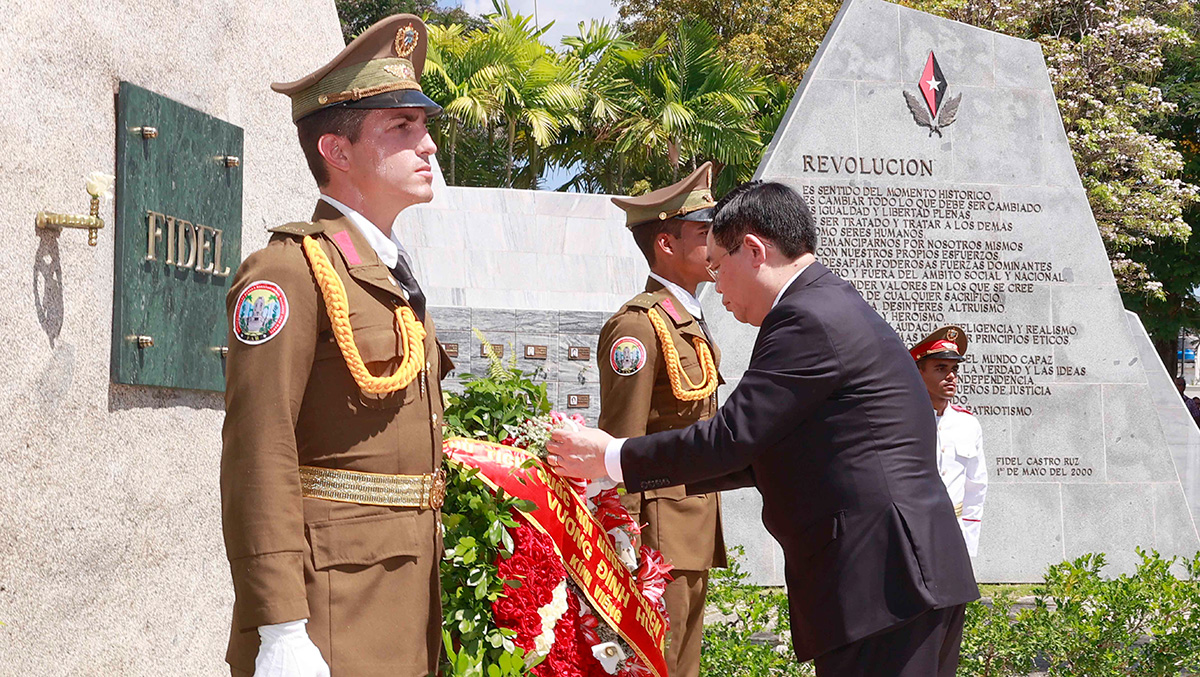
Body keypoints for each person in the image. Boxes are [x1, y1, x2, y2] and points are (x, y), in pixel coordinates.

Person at [547, 181, 979, 676]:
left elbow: (732, 438)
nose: (717, 284)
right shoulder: (828, 304)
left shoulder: (806, 319)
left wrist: (610, 458)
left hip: (884, 581)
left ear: (753, 251)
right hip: (896, 579)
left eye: (718, 264)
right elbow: (762, 452)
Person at [221, 15, 452, 677]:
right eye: (401, 128)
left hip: (405, 599)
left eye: (424, 126)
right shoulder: (289, 269)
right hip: (331, 608)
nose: (428, 145)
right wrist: (280, 627)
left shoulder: (388, 273)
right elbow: (257, 450)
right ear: (338, 151)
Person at [600, 162, 727, 677]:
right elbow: (621, 438)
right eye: (704, 234)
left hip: (690, 525)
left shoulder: (687, 320)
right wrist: (621, 537)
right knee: (658, 663)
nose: (716, 246)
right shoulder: (638, 326)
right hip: (656, 531)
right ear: (666, 245)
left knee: (683, 665)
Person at [910, 326, 988, 557]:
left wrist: (968, 543)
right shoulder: (902, 421)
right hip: (911, 531)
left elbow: (976, 485)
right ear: (919, 372)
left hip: (953, 532)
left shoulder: (968, 424)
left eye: (954, 369)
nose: (951, 376)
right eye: (940, 368)